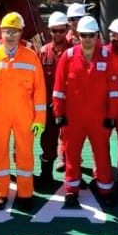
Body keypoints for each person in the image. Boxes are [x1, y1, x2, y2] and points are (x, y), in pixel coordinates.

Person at [0, 11, 48, 209]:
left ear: (20, 33)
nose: (10, 35)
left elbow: (39, 91)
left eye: (14, 31)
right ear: (1, 33)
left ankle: (25, 194)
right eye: (6, 31)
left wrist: (39, 120)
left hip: (24, 115)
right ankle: (1, 193)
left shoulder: (31, 58)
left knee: (25, 154)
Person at [53, 16, 118, 208]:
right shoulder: (68, 57)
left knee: (102, 154)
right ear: (77, 35)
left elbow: (114, 90)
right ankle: (71, 190)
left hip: (99, 118)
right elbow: (59, 88)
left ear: (97, 35)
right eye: (84, 35)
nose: (88, 39)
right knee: (72, 154)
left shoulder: (108, 57)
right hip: (73, 118)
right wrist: (59, 113)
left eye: (91, 35)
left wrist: (112, 115)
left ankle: (105, 189)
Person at [37, 11, 73, 186]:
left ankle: (73, 177)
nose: (58, 34)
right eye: (54, 31)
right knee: (47, 141)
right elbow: (38, 81)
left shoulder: (74, 51)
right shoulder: (43, 52)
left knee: (71, 141)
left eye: (61, 30)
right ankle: (46, 175)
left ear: (67, 29)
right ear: (49, 30)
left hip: (69, 106)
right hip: (49, 106)